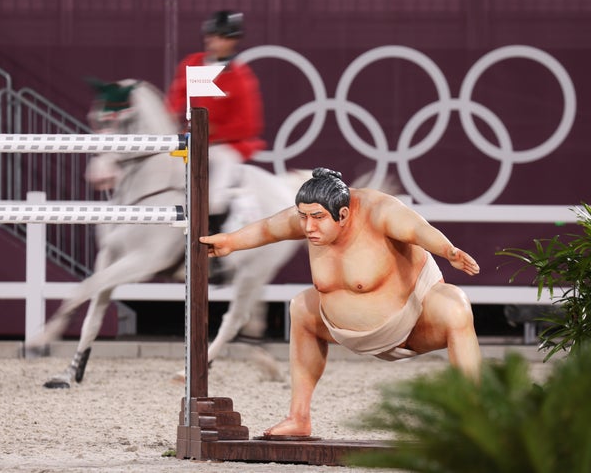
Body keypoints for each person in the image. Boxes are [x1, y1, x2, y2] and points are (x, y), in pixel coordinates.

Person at [200, 167, 482, 439]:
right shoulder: (310, 216)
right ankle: (299, 417)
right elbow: (267, 230)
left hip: (410, 326)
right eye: (303, 217)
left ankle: (473, 418)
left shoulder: (380, 211)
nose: (308, 227)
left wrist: (448, 250)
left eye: (317, 218)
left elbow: (418, 229)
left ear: (343, 214)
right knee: (302, 307)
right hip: (345, 332)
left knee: (454, 305)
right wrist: (231, 241)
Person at [166, 10, 265, 217]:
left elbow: (248, 125)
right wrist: (176, 118)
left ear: (232, 41)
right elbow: (175, 100)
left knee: (215, 198)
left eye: (220, 36)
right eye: (210, 35)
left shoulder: (241, 77)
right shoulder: (191, 63)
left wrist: (212, 131)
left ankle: (211, 234)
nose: (212, 40)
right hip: (189, 140)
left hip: (224, 147)